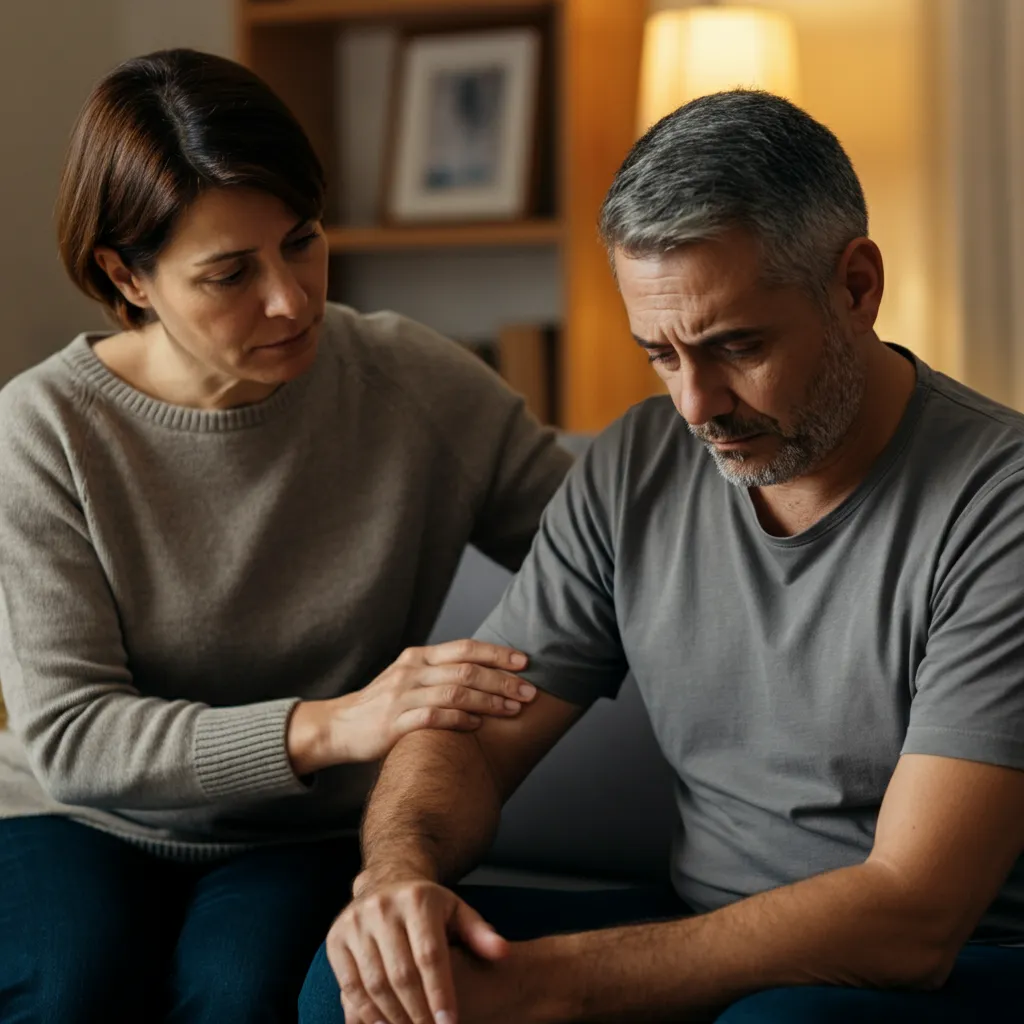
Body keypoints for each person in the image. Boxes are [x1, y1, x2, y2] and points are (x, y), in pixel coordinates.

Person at [300, 90, 1024, 1023]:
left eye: (736, 347)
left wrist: (542, 989)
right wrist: (397, 883)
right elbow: (470, 737)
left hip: (956, 966)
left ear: (857, 286)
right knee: (354, 984)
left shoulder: (997, 505)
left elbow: (911, 916)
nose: (696, 406)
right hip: (703, 932)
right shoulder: (637, 464)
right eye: (661, 356)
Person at [0, 49, 571, 1023]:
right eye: (228, 273)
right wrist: (334, 723)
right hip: (71, 815)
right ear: (125, 277)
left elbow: (602, 549)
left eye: (301, 242)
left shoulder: (411, 383)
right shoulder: (44, 429)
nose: (291, 299)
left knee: (245, 993)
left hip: (295, 836)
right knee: (69, 987)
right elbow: (70, 733)